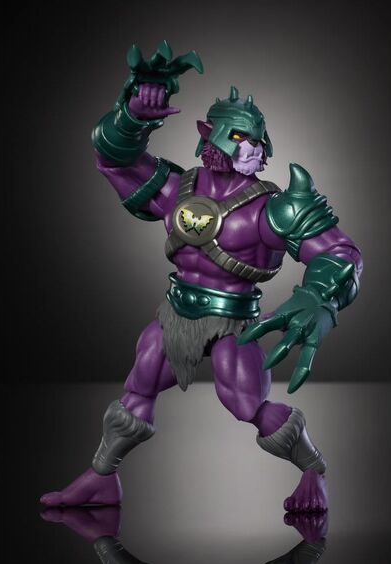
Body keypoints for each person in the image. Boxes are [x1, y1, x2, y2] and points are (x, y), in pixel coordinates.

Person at [40, 41, 363, 513]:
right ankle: (101, 478)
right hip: (178, 313)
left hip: (234, 322)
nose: (254, 149)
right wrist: (133, 115)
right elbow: (113, 157)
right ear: (211, 136)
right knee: (139, 386)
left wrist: (320, 295)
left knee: (246, 403)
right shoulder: (178, 187)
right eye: (242, 137)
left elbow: (339, 252)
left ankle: (313, 469)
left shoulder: (274, 207)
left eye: (259, 141)